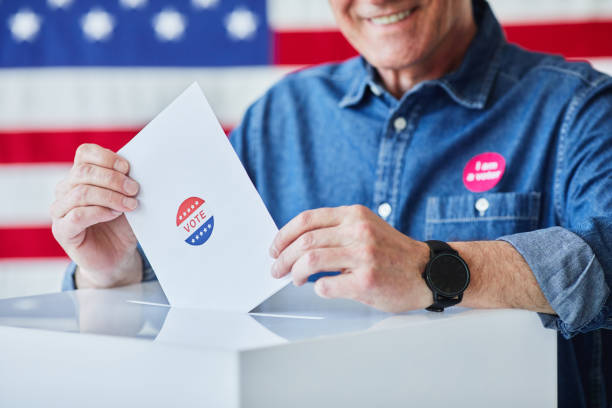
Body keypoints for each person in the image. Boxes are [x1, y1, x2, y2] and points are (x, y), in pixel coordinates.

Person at [50, 0, 611, 406]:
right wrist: (114, 271)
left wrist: (430, 268)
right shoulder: (279, 117)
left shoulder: (578, 109)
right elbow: (196, 309)